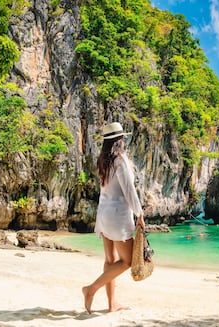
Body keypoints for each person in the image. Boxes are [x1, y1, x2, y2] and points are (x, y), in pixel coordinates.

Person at [82, 122, 145, 314]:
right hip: (118, 217)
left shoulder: (104, 160)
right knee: (126, 261)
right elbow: (129, 190)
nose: (125, 141)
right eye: (123, 138)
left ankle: (112, 305)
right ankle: (91, 289)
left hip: (104, 215)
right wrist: (139, 213)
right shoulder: (120, 160)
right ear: (118, 141)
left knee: (111, 261)